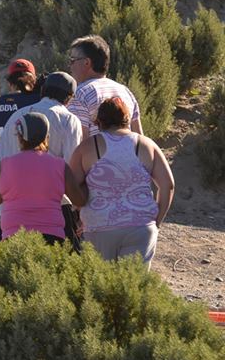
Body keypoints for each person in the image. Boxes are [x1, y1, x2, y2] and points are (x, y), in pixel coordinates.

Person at [69, 97, 174, 267]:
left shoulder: (87, 147)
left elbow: (72, 185)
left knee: (101, 286)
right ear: (126, 119)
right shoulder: (146, 144)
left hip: (99, 226)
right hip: (141, 226)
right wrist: (157, 220)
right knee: (132, 287)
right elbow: (168, 185)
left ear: (99, 121)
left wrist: (81, 213)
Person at [0, 72, 83, 240]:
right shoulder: (68, 120)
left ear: (43, 90)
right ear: (69, 98)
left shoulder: (16, 116)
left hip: (12, 213)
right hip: (53, 213)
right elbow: (72, 168)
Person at [67, 34, 143, 138]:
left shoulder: (80, 94)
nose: (69, 65)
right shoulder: (126, 92)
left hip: (95, 154)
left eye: (72, 60)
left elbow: (79, 142)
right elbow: (139, 137)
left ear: (86, 62)